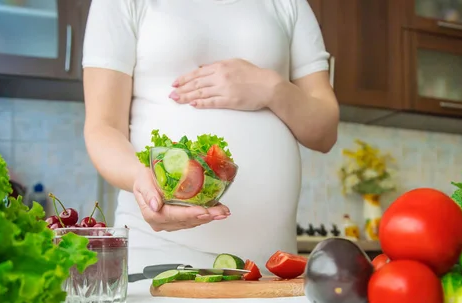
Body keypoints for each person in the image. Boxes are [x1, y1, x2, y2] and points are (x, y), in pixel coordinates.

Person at [82, 0, 339, 272]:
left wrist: (272, 88)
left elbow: (325, 133)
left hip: (268, 265)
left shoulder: (289, 3)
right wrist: (141, 180)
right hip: (159, 251)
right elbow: (103, 127)